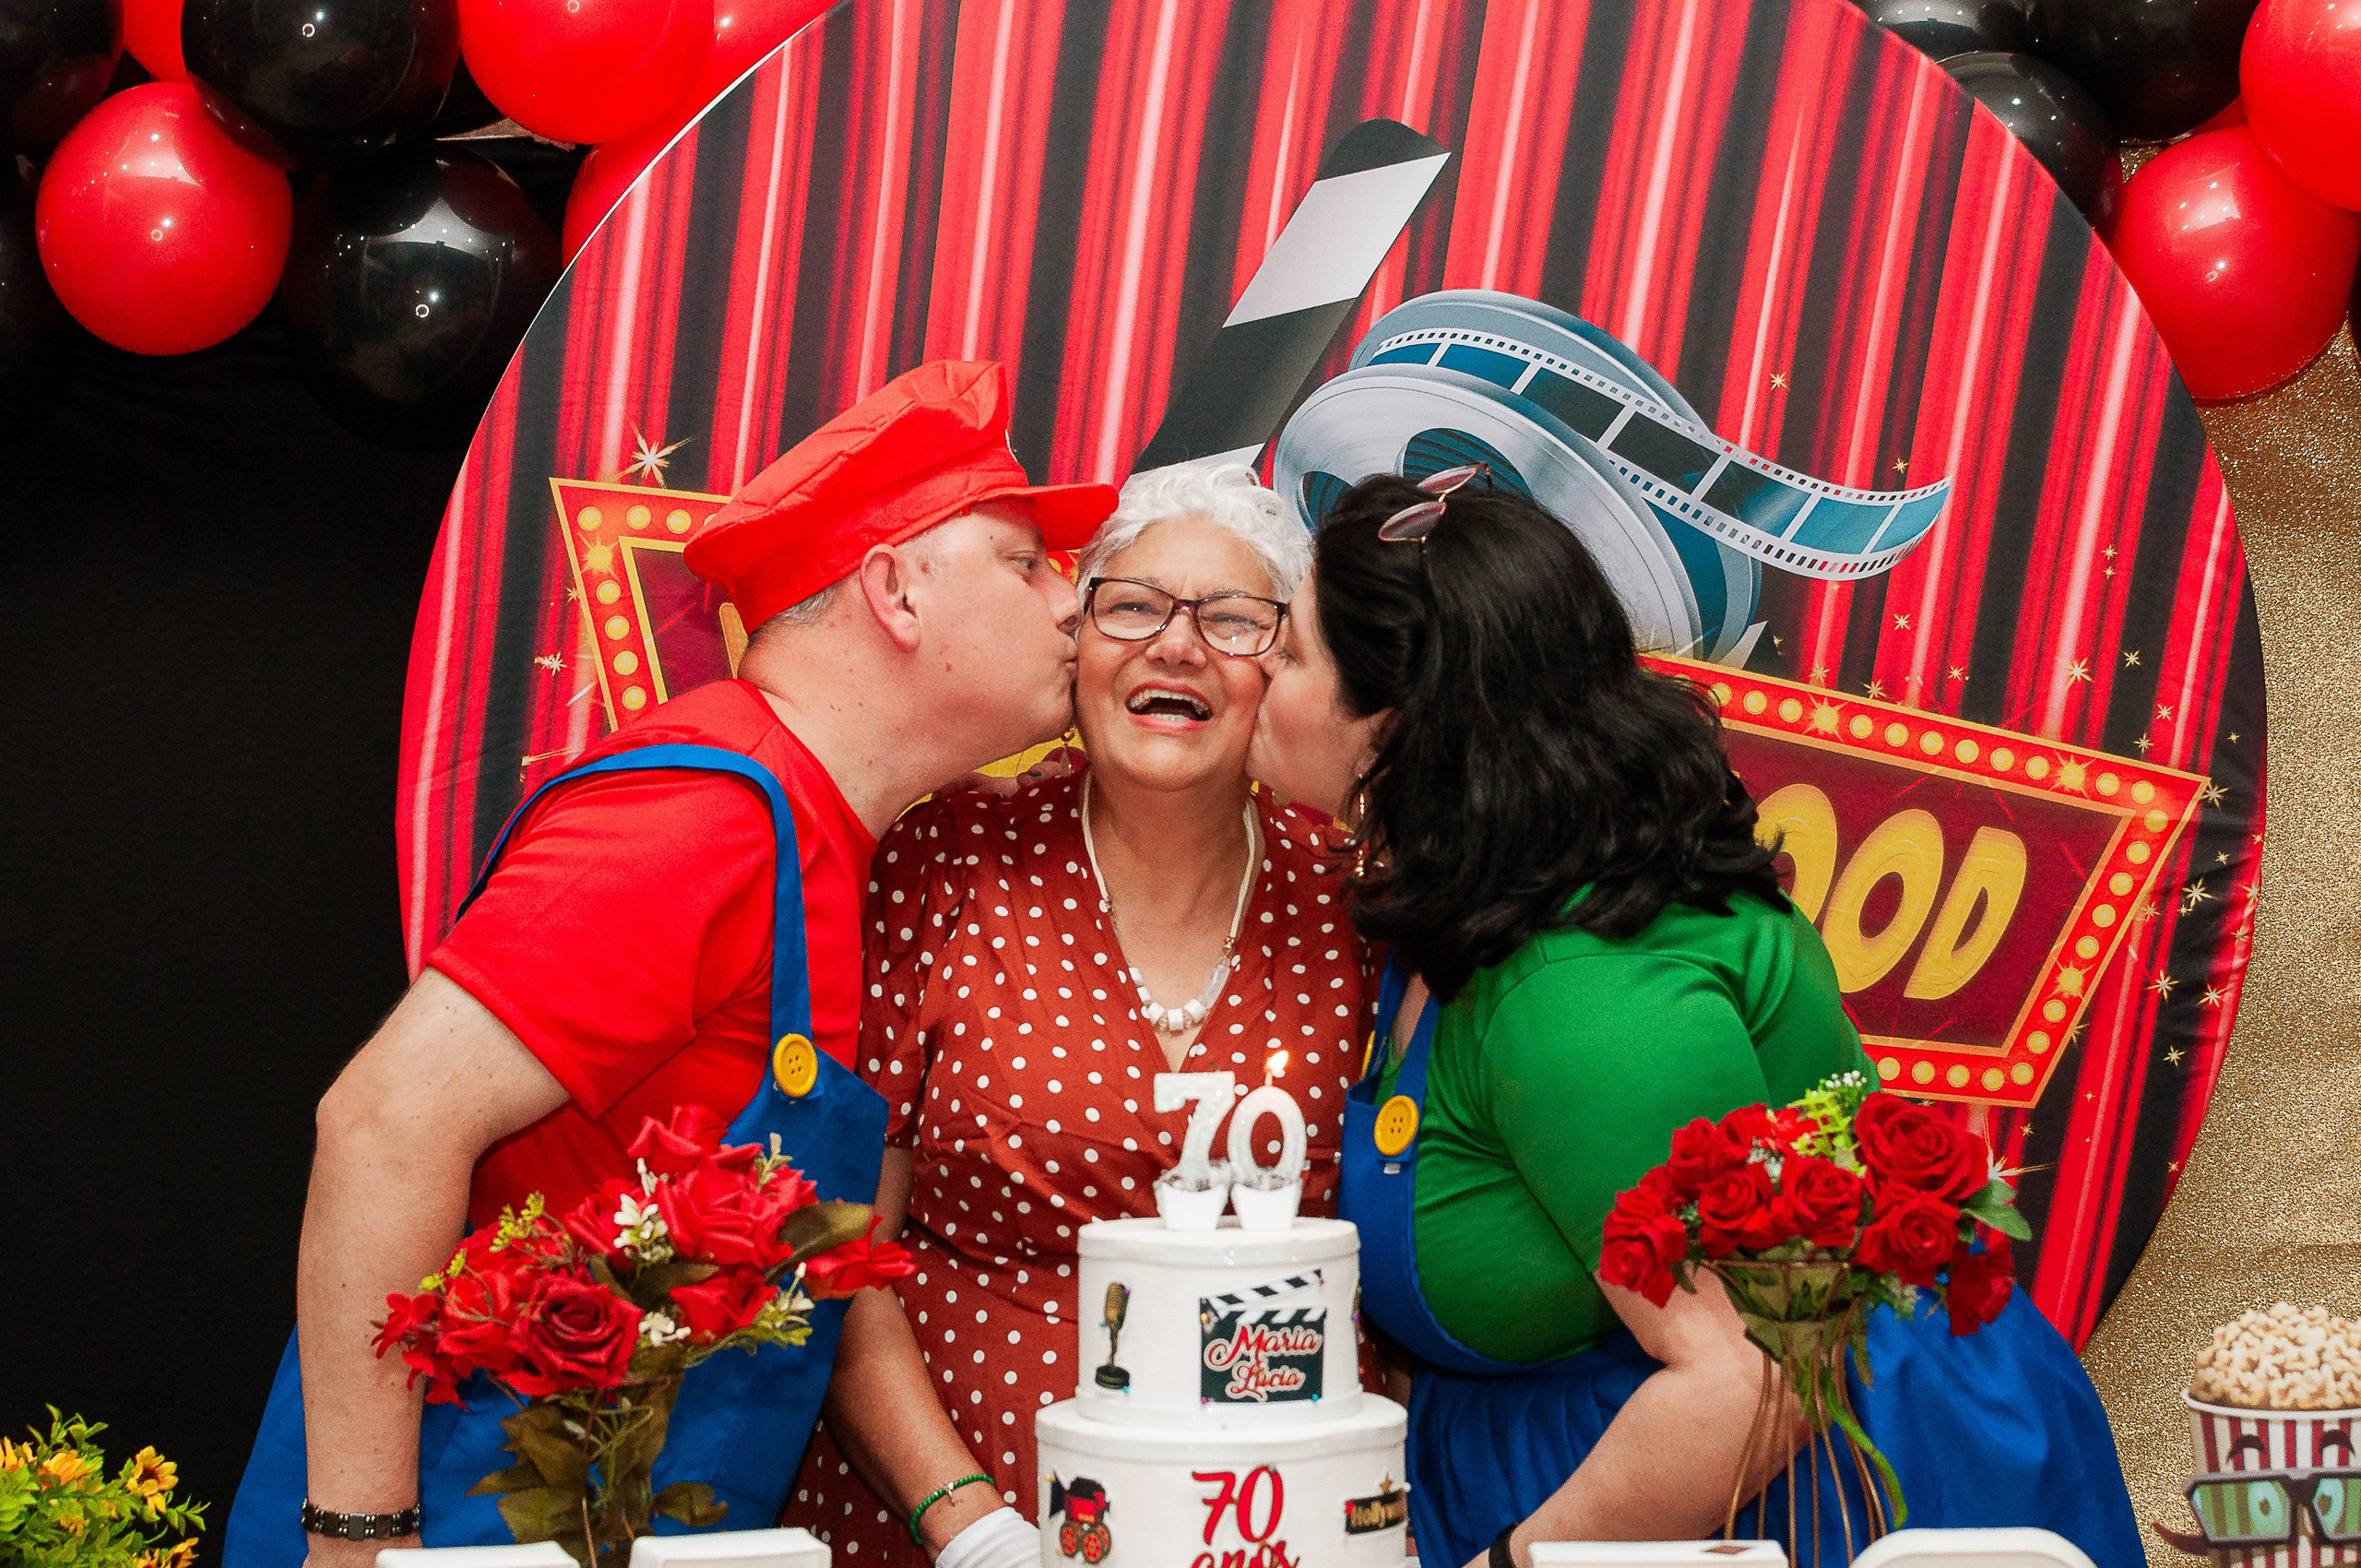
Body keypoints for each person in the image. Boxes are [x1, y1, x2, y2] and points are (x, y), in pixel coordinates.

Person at [224, 361, 1118, 1568]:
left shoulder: (822, 843)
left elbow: (805, 1266)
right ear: (896, 591)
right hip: (467, 1533)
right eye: (1025, 563)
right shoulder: (703, 816)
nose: (1071, 605)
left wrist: (968, 1529)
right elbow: (384, 1123)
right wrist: (361, 1543)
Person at [1243, 468, 2147, 1568]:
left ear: (1389, 732)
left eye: (1288, 652)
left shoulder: (1579, 995)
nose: (1257, 673)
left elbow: (1754, 1378)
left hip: (1810, 1497)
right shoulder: (1471, 900)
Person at [783, 464, 1375, 1564]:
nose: (1177, 643)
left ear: (1285, 671)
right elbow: (839, 1238)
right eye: (1133, 604)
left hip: (1278, 1523)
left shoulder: (1355, 897)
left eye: (1237, 619)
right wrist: (967, 1524)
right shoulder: (949, 856)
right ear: (1076, 644)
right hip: (948, 1523)